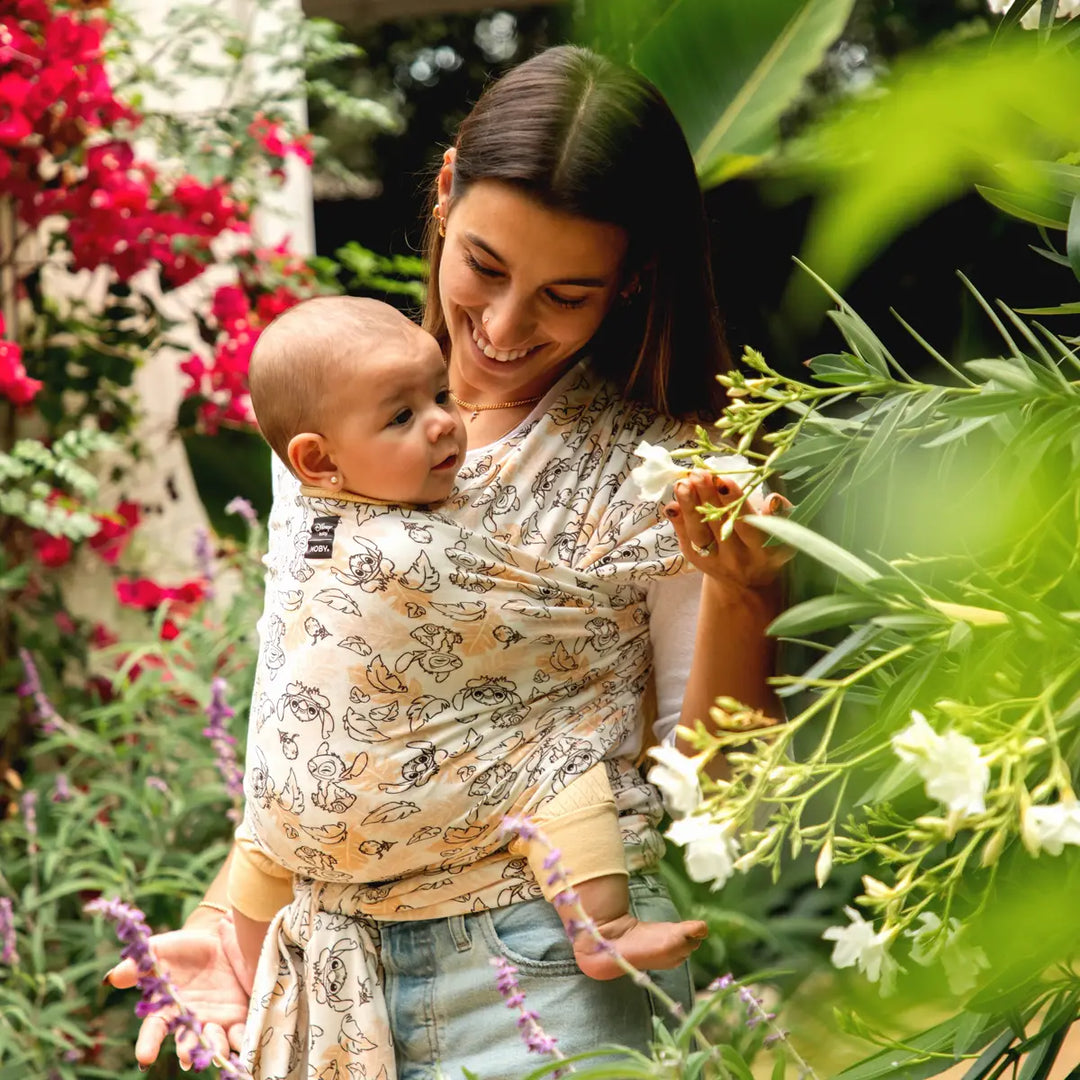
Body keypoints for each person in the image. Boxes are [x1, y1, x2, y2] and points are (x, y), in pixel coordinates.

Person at [104, 44, 790, 1080]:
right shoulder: (333, 424)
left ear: (631, 279)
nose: (506, 328)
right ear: (443, 191)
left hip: (554, 973)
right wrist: (228, 921)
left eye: (567, 294)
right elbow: (313, 717)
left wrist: (745, 596)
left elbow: (717, 784)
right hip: (331, 973)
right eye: (485, 267)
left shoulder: (667, 474)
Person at [229, 293, 707, 1027]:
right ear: (317, 461)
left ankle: (600, 930)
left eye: (440, 393)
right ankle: (602, 928)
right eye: (401, 416)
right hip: (329, 864)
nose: (444, 422)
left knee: (550, 759)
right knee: (555, 762)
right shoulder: (392, 535)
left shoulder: (315, 513)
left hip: (304, 826)